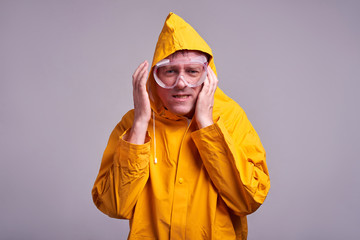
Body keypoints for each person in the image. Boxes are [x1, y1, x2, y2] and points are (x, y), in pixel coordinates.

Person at [92, 12, 270, 240]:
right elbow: (113, 205)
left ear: (208, 76)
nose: (181, 83)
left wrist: (207, 126)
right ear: (154, 77)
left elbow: (248, 200)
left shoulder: (230, 117)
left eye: (192, 71)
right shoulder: (134, 123)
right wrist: (139, 126)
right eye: (170, 71)